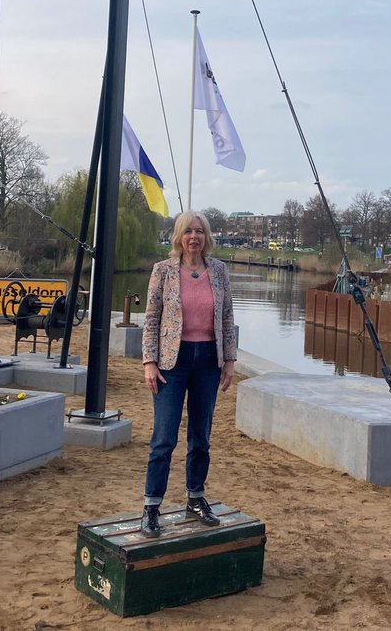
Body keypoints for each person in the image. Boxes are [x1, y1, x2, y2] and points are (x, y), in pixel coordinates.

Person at [140, 211, 238, 537]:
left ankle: (195, 498)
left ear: (206, 237)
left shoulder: (220, 271)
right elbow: (151, 319)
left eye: (199, 231)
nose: (194, 237)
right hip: (172, 362)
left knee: (201, 436)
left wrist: (230, 361)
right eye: (188, 231)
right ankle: (151, 507)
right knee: (164, 438)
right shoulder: (163, 271)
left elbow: (226, 317)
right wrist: (149, 362)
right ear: (179, 237)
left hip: (208, 360)